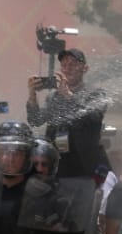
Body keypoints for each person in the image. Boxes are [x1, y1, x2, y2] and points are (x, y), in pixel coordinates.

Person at [25, 48, 111, 179]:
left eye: (73, 64)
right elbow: (35, 120)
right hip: (58, 168)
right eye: (64, 65)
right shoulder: (54, 96)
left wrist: (68, 95)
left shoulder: (96, 94)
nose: (67, 68)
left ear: (85, 68)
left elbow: (93, 119)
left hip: (85, 169)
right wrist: (32, 95)